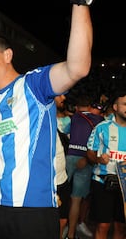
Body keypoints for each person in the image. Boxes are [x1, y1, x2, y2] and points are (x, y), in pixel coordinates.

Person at [0, 2, 93, 238]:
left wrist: (80, 4)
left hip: (32, 212)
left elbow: (77, 68)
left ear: (8, 55)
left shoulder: (33, 85)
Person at [86, 87, 126, 239]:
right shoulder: (102, 128)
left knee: (121, 226)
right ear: (115, 107)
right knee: (103, 226)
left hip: (125, 186)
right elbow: (89, 152)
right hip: (103, 182)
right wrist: (98, 159)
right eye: (125, 104)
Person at [65, 94, 104, 239]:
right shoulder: (100, 121)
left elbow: (64, 131)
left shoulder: (73, 118)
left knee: (60, 194)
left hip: (70, 157)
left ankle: (58, 227)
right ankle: (71, 234)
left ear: (76, 107)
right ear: (90, 106)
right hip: (86, 159)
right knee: (76, 200)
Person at [54, 95, 72, 239]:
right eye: (59, 94)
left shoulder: (56, 120)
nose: (63, 97)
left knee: (63, 220)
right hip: (49, 184)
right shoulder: (35, 120)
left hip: (62, 180)